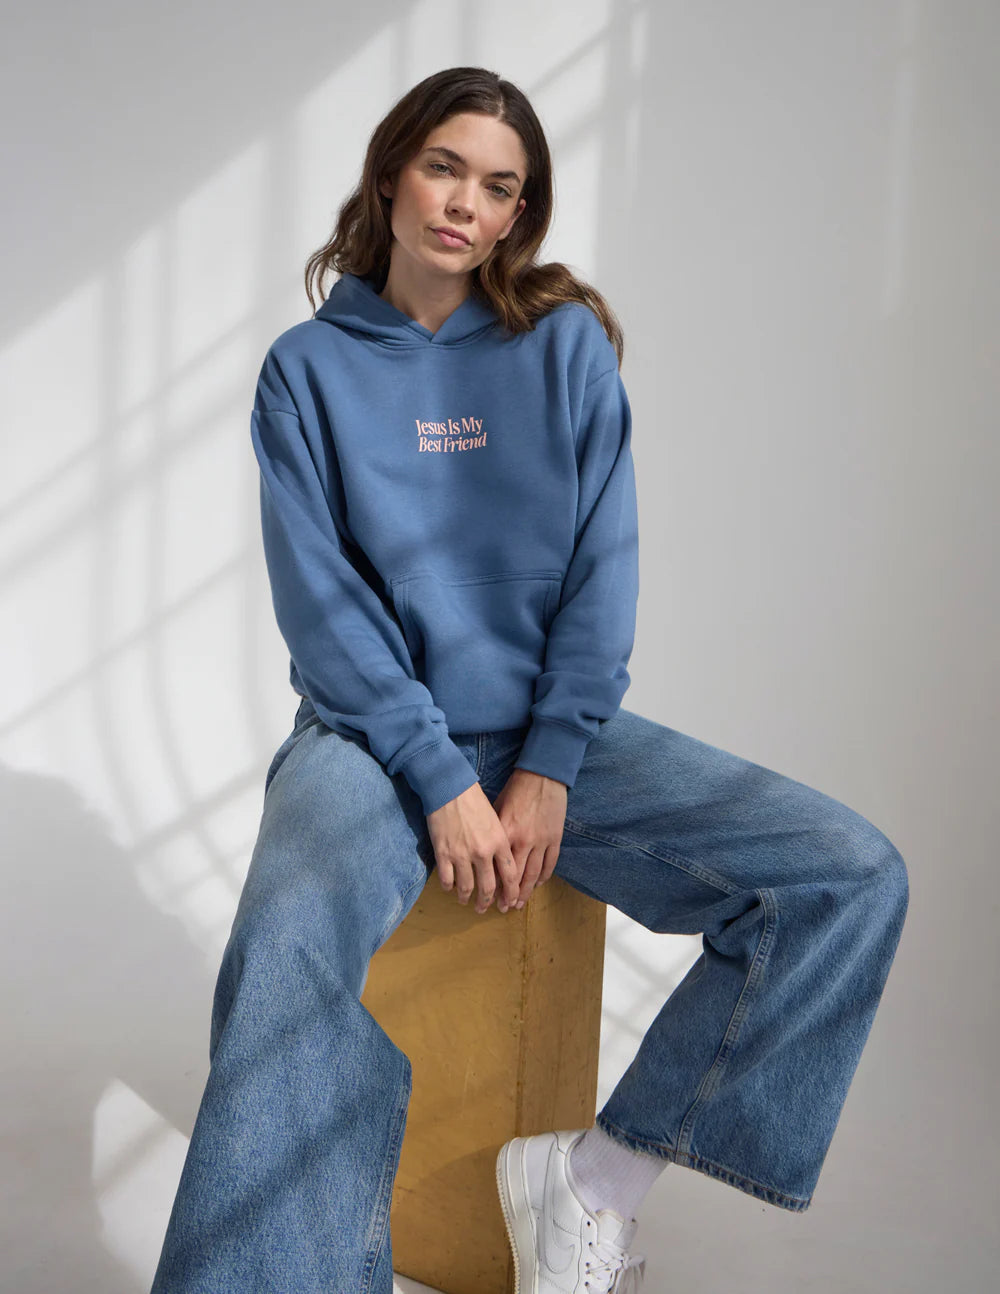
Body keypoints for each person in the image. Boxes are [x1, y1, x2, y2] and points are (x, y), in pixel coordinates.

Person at [148, 66, 909, 1294]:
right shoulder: (307, 368)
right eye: (444, 168)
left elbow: (602, 576)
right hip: (367, 742)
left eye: (499, 187)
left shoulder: (562, 348)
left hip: (553, 736)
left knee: (845, 873)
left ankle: (595, 1182)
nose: (465, 204)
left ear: (518, 213)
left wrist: (548, 764)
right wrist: (440, 779)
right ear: (390, 172)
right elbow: (323, 609)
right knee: (283, 945)